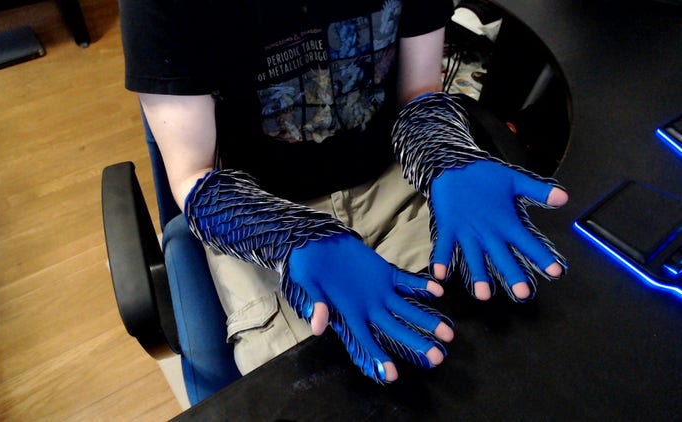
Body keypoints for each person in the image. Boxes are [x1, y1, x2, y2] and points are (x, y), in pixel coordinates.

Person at [118, 0, 568, 383]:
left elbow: (419, 91)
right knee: (316, 389)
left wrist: (446, 156)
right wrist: (294, 236)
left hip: (394, 180)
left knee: (498, 355)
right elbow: (192, 174)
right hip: (260, 210)